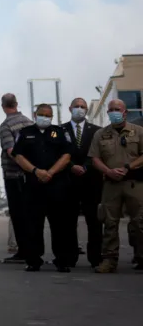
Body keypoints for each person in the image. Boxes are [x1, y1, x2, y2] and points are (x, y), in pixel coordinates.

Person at [12, 103, 76, 272]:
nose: (45, 118)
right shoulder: (25, 133)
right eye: (42, 114)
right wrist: (36, 171)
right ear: (35, 115)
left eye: (49, 115)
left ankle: (62, 260)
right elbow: (18, 156)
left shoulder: (60, 132)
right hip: (33, 187)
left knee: (60, 225)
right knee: (32, 225)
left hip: (57, 186)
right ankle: (33, 260)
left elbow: (67, 156)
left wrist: (51, 172)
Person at [90, 99, 143, 273]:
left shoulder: (138, 131)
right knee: (109, 222)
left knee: (139, 221)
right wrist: (108, 171)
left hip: (134, 183)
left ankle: (141, 256)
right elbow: (95, 158)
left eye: (117, 109)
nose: (114, 112)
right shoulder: (100, 134)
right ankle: (109, 259)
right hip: (111, 183)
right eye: (111, 110)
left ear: (125, 112)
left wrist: (129, 167)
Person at [63, 97, 103, 267]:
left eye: (83, 107)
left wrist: (85, 167)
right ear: (70, 108)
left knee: (94, 222)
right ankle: (69, 257)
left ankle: (95, 258)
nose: (79, 109)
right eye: (76, 106)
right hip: (68, 182)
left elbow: (97, 154)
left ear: (87, 110)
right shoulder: (59, 130)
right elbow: (58, 153)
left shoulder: (96, 131)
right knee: (68, 222)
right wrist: (72, 166)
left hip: (91, 182)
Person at [0, 93, 34, 264]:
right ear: (17, 104)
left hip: (14, 176)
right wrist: (32, 168)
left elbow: (11, 151)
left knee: (17, 214)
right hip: (32, 176)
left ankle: (24, 251)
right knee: (29, 212)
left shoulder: (5, 126)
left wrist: (23, 165)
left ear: (3, 106)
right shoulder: (29, 122)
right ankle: (32, 248)